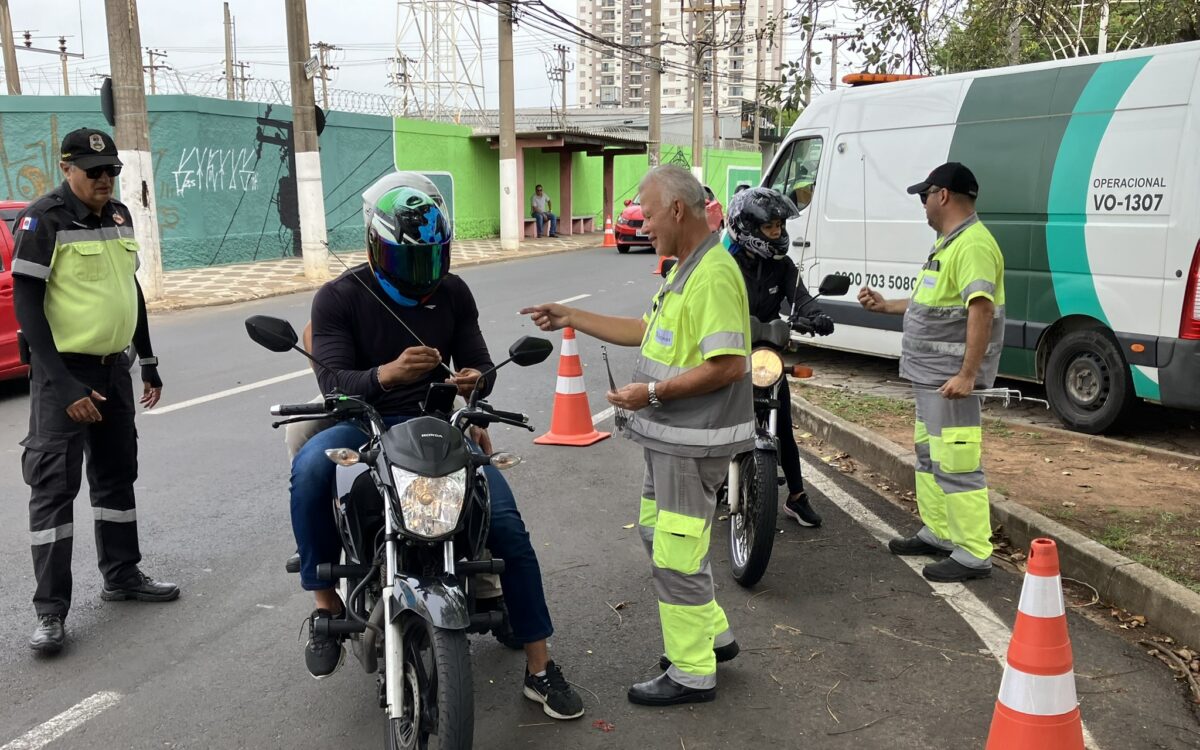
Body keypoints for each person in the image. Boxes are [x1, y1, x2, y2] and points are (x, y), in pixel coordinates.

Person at [292, 172, 583, 720]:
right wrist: (388, 374)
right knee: (309, 466)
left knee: (508, 527)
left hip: (437, 429)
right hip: (367, 423)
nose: (425, 273)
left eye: (432, 257)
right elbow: (334, 384)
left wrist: (475, 381)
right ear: (377, 247)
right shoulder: (339, 297)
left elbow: (479, 361)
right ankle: (324, 604)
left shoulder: (453, 292)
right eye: (411, 259)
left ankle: (540, 669)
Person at [523, 164, 753, 706]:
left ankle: (693, 671)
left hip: (690, 443)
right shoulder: (684, 269)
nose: (641, 225)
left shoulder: (714, 273)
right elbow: (645, 332)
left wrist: (650, 396)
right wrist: (570, 316)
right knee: (660, 536)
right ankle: (711, 636)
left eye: (647, 215)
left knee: (677, 553)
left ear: (677, 209)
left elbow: (729, 366)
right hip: (670, 441)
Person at [13, 127, 178, 656]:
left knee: (116, 477)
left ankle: (122, 575)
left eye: (111, 171)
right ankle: (50, 612)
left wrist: (147, 360)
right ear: (67, 169)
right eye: (93, 171)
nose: (105, 179)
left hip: (114, 371)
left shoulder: (119, 215)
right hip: (66, 374)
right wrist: (63, 385)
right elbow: (28, 306)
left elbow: (127, 288)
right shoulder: (43, 220)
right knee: (54, 490)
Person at [857, 162, 1004, 583]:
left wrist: (968, 374)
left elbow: (982, 308)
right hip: (930, 379)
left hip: (950, 382)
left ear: (943, 195)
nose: (922, 204)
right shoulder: (948, 244)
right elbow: (931, 302)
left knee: (957, 463)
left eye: (925, 195)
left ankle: (974, 553)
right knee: (930, 458)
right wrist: (886, 306)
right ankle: (940, 533)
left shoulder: (972, 244)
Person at [725, 187, 833, 527]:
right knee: (711, 414)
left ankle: (797, 497)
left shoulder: (783, 267)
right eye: (772, 227)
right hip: (729, 353)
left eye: (781, 226)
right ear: (748, 228)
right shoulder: (726, 265)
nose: (779, 233)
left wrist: (815, 315)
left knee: (783, 423)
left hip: (766, 356)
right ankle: (705, 478)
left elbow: (801, 298)